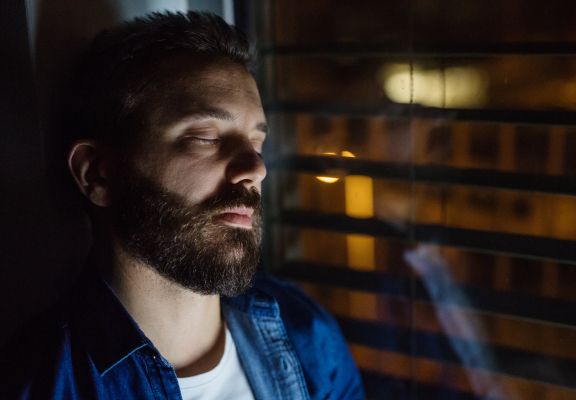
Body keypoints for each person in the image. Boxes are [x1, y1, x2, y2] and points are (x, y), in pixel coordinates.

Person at [0, 11, 364, 400]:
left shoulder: (306, 334)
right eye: (206, 137)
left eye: (256, 143)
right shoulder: (36, 384)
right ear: (98, 174)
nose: (255, 168)